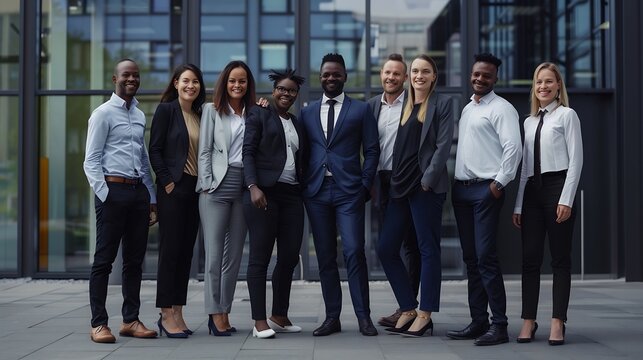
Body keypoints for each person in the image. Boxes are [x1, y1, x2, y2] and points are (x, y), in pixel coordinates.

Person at [300, 53, 380, 337]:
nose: (330, 78)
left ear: (345, 76)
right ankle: (332, 317)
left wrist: (364, 183)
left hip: (349, 191)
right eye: (325, 74)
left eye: (336, 74)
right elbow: (302, 151)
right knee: (324, 256)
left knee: (354, 251)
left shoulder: (360, 110)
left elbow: (371, 150)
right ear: (319, 77)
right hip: (317, 192)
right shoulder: (307, 112)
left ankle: (363, 317)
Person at [446, 53, 521, 346]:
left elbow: (513, 149)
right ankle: (478, 322)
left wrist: (498, 184)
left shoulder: (502, 109)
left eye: (486, 76)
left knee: (486, 258)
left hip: (485, 191)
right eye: (476, 74)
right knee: (471, 260)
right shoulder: (467, 109)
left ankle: (499, 325)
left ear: (495, 79)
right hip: (462, 191)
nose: (479, 79)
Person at [377, 55, 454, 338]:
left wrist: (427, 181)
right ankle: (408, 307)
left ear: (434, 76)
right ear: (409, 76)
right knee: (386, 247)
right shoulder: (403, 105)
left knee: (427, 249)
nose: (419, 75)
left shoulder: (443, 104)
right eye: (415, 71)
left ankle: (426, 314)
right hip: (400, 186)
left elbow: (444, 146)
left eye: (426, 71)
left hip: (425, 188)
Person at [83, 58, 158, 343]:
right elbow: (91, 160)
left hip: (138, 192)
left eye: (136, 75)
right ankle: (99, 324)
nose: (132, 79)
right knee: (104, 261)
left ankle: (130, 320)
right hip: (112, 191)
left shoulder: (139, 115)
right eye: (127, 75)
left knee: (135, 261)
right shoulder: (102, 114)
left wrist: (150, 198)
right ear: (115, 79)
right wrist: (105, 195)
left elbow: (142, 158)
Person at [512, 62, 583, 346]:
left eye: (549, 82)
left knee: (560, 259)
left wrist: (566, 199)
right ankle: (528, 319)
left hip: (558, 187)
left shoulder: (567, 116)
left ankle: (557, 321)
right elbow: (524, 167)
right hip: (531, 191)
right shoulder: (528, 121)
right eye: (539, 82)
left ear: (558, 86)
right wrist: (518, 205)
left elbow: (576, 161)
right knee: (529, 259)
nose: (543, 86)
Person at [243, 69, 307, 339]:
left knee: (290, 256)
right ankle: (259, 321)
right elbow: (247, 151)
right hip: (264, 193)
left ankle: (279, 314)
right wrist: (253, 186)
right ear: (274, 90)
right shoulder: (259, 113)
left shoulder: (296, 122)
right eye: (282, 88)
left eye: (291, 90)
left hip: (292, 195)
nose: (286, 94)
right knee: (259, 258)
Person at [196, 60, 255, 336]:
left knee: (233, 257)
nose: (237, 85)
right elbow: (205, 150)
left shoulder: (253, 112)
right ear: (225, 82)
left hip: (244, 186)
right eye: (232, 80)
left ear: (248, 84)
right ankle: (213, 312)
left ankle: (225, 309)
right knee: (214, 255)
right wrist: (207, 183)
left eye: (242, 81)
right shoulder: (211, 110)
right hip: (217, 187)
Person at [149, 63, 206, 338]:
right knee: (170, 252)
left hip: (195, 189)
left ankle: (179, 310)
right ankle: (165, 313)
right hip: (174, 187)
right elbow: (155, 149)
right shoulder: (166, 111)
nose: (190, 86)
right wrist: (167, 182)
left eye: (195, 81)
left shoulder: (199, 114)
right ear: (175, 83)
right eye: (185, 81)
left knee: (185, 252)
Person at [367, 53, 421, 328]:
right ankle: (406, 306)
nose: (391, 77)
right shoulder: (371, 106)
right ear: (382, 75)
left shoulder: (415, 105)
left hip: (407, 181)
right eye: (387, 73)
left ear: (405, 78)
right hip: (381, 182)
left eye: (397, 74)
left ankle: (407, 308)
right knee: (389, 245)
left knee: (409, 245)